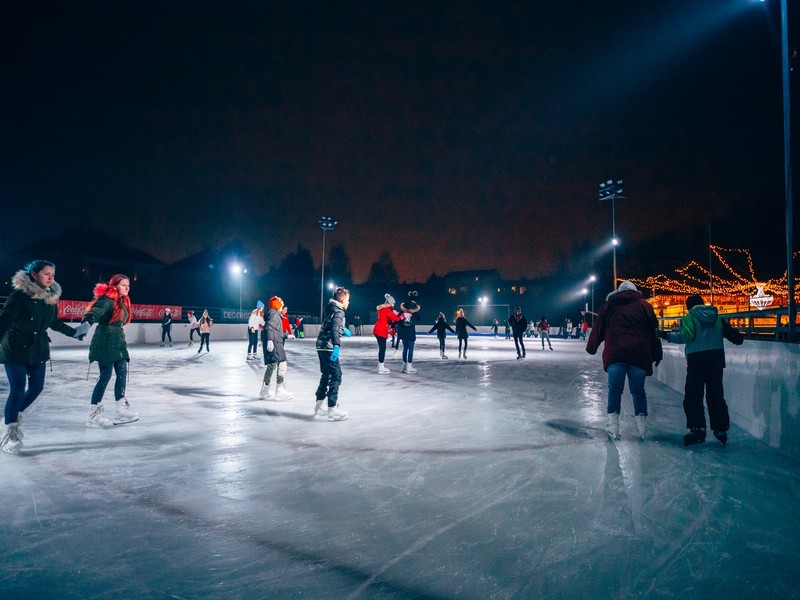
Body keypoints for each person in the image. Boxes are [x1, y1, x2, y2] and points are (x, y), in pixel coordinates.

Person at [0, 260, 84, 454]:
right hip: (15, 348)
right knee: (17, 389)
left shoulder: (50, 298)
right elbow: (4, 320)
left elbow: (54, 322)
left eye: (53, 275)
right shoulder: (19, 296)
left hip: (38, 349)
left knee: (37, 388)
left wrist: (74, 333)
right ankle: (9, 432)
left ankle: (12, 416)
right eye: (46, 274)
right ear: (34, 274)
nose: (51, 278)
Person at [659, 294, 743, 446]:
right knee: (716, 394)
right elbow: (735, 337)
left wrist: (665, 335)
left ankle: (697, 429)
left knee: (693, 395)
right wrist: (738, 337)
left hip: (697, 360)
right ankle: (720, 429)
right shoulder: (717, 317)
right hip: (716, 360)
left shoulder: (689, 317)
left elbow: (686, 336)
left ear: (689, 306)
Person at [586, 281, 663, 440]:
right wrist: (657, 352)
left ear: (618, 292)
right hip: (639, 355)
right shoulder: (645, 306)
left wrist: (592, 346)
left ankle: (613, 425)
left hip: (616, 353)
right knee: (638, 391)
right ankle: (642, 427)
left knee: (615, 389)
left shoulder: (609, 305)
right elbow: (655, 330)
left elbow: (598, 327)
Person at [80, 274, 139, 428]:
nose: (127, 288)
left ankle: (121, 410)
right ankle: (93, 415)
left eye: (128, 285)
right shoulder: (108, 300)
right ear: (115, 285)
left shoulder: (122, 301)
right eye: (123, 285)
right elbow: (95, 312)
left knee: (122, 373)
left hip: (118, 341)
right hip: (105, 341)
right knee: (105, 376)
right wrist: (86, 323)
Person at [314, 286, 352, 421]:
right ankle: (332, 408)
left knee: (326, 374)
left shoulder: (331, 308)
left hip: (321, 345)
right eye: (347, 300)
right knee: (336, 375)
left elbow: (332, 324)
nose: (348, 302)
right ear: (342, 300)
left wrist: (343, 328)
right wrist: (336, 345)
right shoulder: (339, 312)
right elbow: (334, 328)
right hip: (329, 346)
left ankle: (319, 404)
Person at [260, 296, 293, 400]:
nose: (282, 306)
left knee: (271, 365)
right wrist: (270, 340)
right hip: (275, 343)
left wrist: (287, 335)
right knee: (282, 363)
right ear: (277, 305)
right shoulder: (274, 314)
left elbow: (277, 332)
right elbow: (269, 327)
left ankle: (264, 391)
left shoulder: (272, 314)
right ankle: (280, 389)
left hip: (274, 341)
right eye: (281, 305)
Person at [374, 293, 399, 374]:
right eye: (393, 303)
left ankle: (379, 365)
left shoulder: (382, 309)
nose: (394, 305)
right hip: (381, 330)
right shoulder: (387, 310)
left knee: (381, 348)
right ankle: (381, 367)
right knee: (382, 349)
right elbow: (395, 318)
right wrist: (402, 316)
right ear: (389, 303)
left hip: (378, 330)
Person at [398, 291, 422, 373]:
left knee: (405, 348)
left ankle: (404, 365)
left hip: (403, 331)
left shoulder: (403, 307)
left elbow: (398, 317)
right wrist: (417, 309)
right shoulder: (415, 307)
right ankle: (409, 366)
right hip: (411, 331)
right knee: (410, 349)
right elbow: (419, 318)